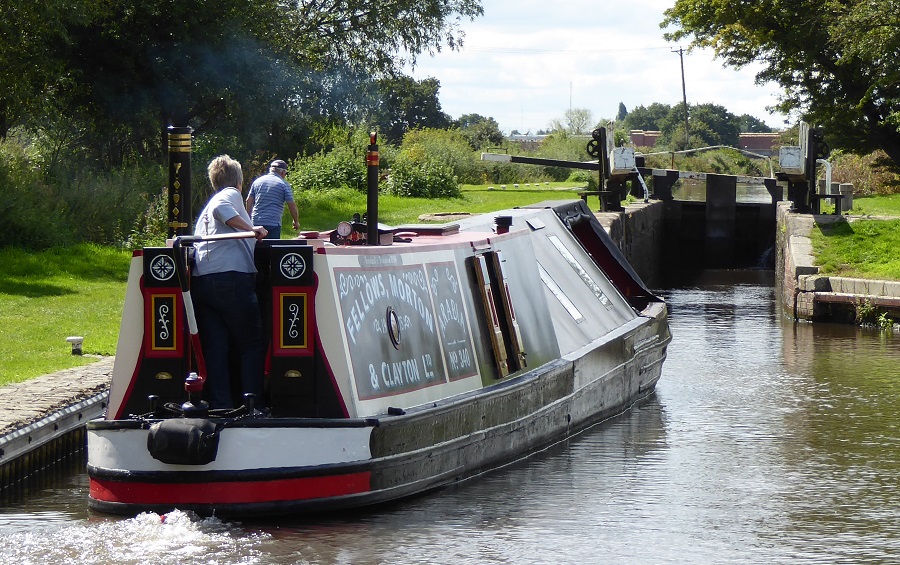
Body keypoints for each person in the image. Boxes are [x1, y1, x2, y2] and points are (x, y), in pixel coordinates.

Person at [191, 155, 268, 409]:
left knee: (216, 347)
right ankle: (252, 405)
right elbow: (222, 210)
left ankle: (221, 403)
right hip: (231, 280)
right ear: (239, 182)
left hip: (203, 281)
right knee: (251, 344)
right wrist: (252, 229)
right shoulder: (230, 194)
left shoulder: (205, 208)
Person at [245, 159, 300, 239]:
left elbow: (249, 200)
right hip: (273, 224)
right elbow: (292, 205)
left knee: (255, 246)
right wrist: (296, 221)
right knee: (271, 246)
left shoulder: (257, 181)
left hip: (256, 222)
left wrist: (248, 219)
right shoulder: (283, 184)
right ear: (283, 172)